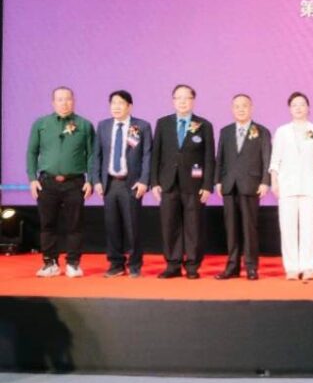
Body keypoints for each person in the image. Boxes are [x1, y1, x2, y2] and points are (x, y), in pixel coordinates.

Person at [27, 87, 95, 278]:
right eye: (60, 99)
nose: (64, 103)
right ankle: (50, 263)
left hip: (75, 183)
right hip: (47, 182)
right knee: (47, 224)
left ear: (74, 101)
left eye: (68, 99)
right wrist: (32, 178)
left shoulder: (84, 125)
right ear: (53, 102)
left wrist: (91, 179)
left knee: (75, 224)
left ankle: (73, 263)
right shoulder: (41, 124)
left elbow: (92, 155)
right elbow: (32, 152)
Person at [150, 84, 215, 279]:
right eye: (178, 98)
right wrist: (155, 182)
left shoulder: (204, 125)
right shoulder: (163, 123)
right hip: (168, 182)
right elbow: (156, 154)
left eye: (186, 98)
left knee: (194, 226)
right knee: (170, 225)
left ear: (193, 101)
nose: (182, 102)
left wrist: (207, 185)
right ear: (173, 101)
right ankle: (173, 264)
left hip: (194, 184)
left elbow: (209, 158)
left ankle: (193, 265)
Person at [91, 90, 151, 278]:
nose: (116, 107)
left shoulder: (141, 126)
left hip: (131, 184)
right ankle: (116, 264)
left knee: (132, 226)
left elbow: (147, 155)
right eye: (113, 103)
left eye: (121, 103)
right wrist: (96, 180)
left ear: (129, 106)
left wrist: (144, 180)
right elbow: (97, 155)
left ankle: (134, 264)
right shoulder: (103, 126)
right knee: (112, 226)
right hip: (110, 184)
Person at [214, 94, 271, 281]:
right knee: (231, 229)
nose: (240, 109)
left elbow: (267, 158)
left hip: (251, 185)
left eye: (244, 106)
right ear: (232, 109)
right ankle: (232, 267)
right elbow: (220, 158)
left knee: (249, 228)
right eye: (237, 106)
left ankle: (251, 267)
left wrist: (265, 181)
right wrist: (217, 181)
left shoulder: (261, 131)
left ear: (251, 108)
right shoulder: (226, 131)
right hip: (229, 185)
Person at [269, 92, 313, 281]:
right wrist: (274, 181)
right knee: (288, 228)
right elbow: (275, 159)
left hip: (309, 185)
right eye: (294, 105)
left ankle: (308, 267)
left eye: (302, 104)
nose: (298, 108)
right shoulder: (282, 131)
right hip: (287, 185)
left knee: (309, 228)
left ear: (308, 108)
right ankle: (291, 267)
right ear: (290, 109)